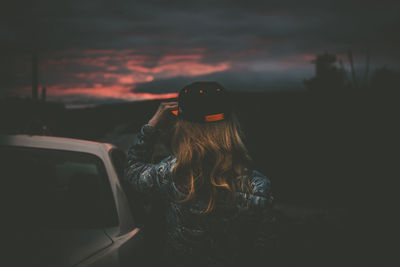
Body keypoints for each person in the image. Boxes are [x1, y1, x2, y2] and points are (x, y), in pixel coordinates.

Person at [123, 81, 276, 267]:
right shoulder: (258, 186)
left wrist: (152, 126)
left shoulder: (169, 174)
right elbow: (263, 249)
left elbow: (132, 169)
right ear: (230, 125)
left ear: (183, 127)